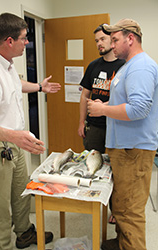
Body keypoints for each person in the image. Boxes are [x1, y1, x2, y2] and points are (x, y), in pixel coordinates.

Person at [0, 13, 61, 250]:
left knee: (21, 193)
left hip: (14, 143)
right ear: (9, 41)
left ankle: (24, 232)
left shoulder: (6, 64)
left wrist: (39, 87)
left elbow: (16, 86)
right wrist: (13, 136)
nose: (27, 43)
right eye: (24, 38)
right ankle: (2, 246)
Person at [87, 19, 158, 250]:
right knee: (121, 205)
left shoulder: (141, 67)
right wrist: (106, 103)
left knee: (130, 212)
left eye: (115, 39)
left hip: (133, 151)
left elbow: (139, 109)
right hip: (124, 150)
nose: (112, 44)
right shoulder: (128, 65)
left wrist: (103, 109)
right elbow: (125, 102)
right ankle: (122, 243)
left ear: (130, 39)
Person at [78, 24, 125, 224]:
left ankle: (116, 210)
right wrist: (81, 121)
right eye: (96, 40)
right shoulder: (93, 66)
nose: (99, 43)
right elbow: (84, 94)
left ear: (112, 40)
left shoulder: (124, 66)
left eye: (102, 39)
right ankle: (93, 204)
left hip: (117, 127)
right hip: (94, 126)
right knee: (93, 166)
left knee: (117, 170)